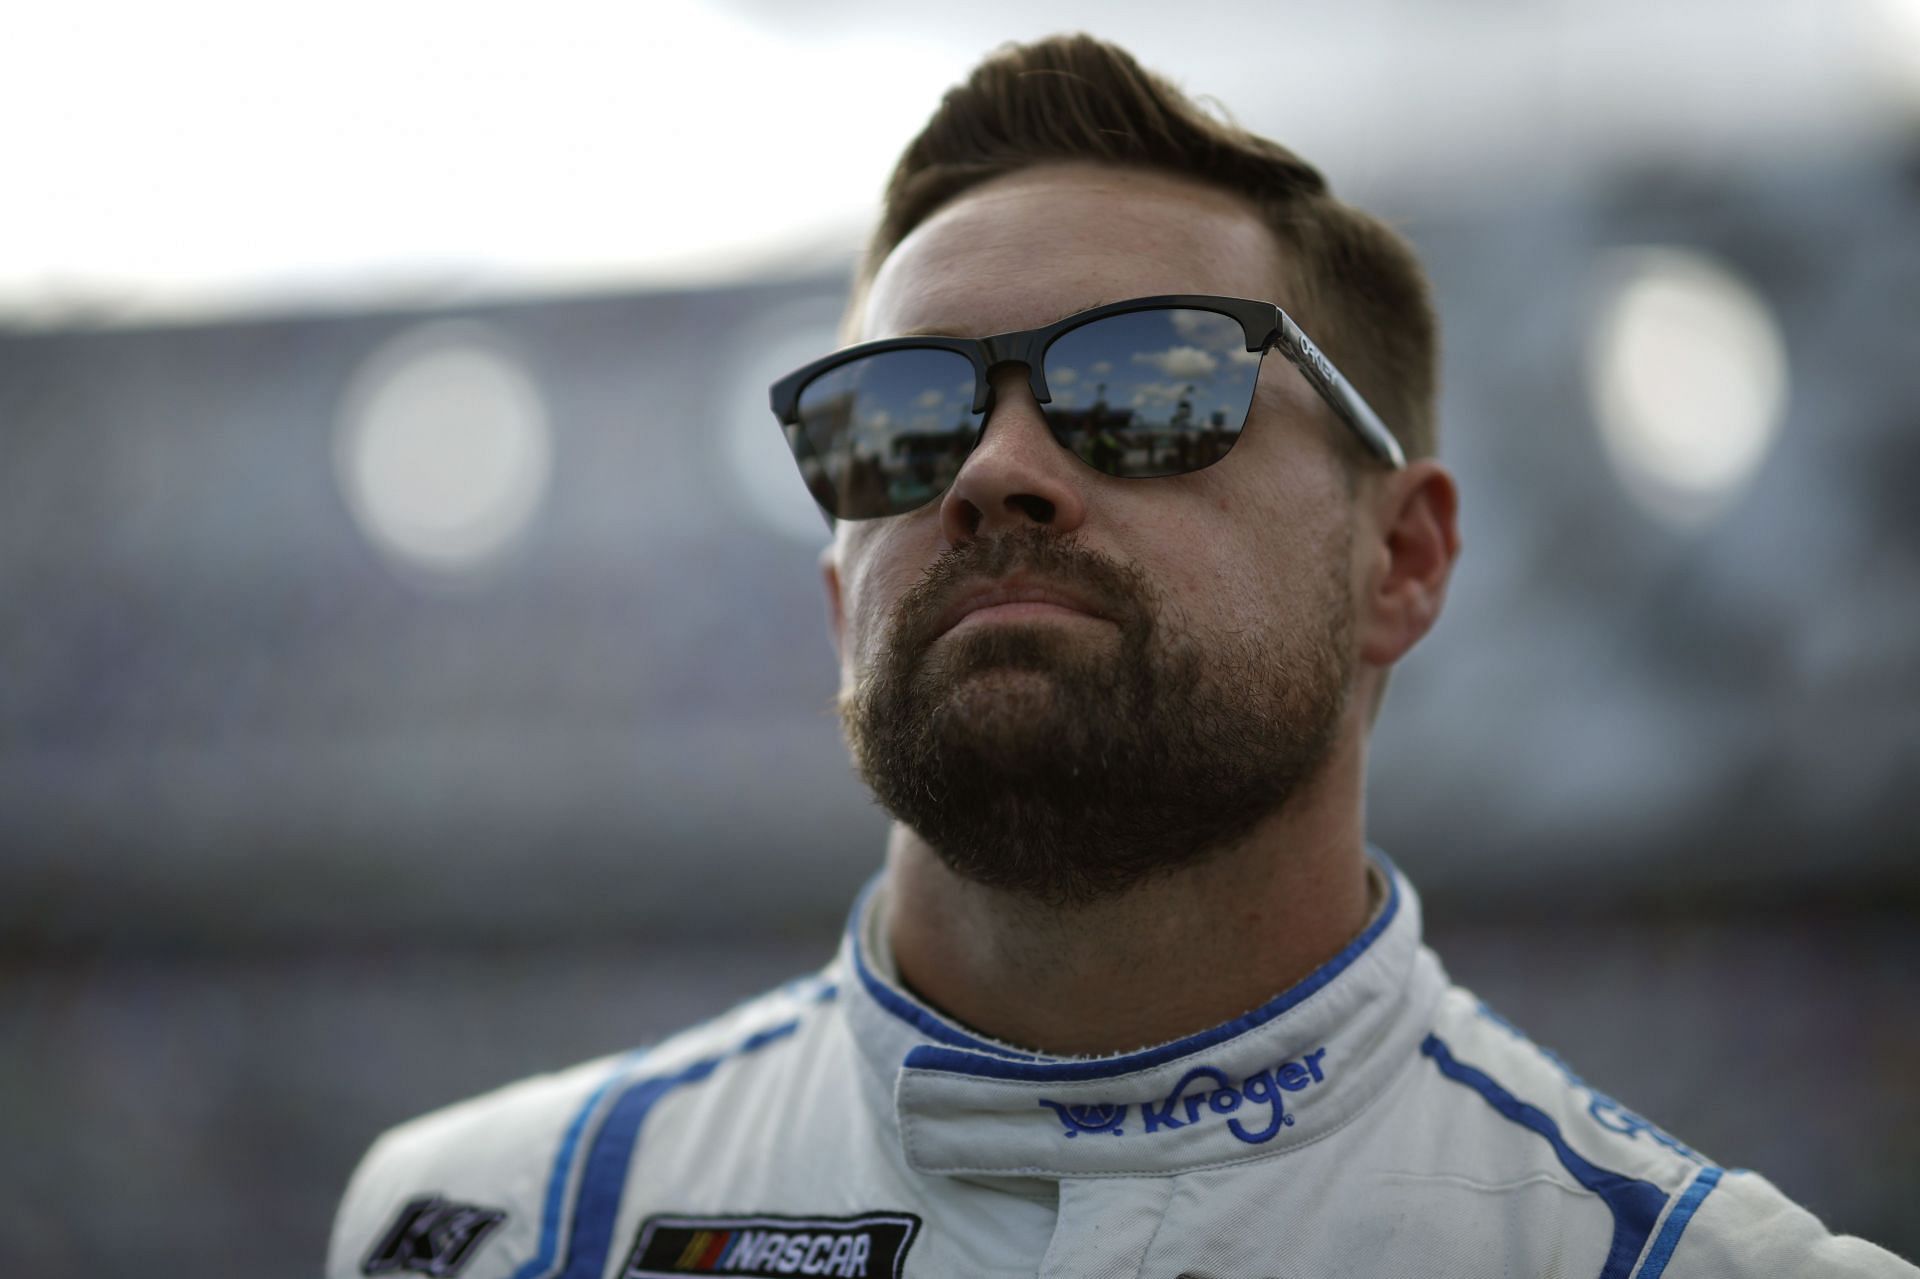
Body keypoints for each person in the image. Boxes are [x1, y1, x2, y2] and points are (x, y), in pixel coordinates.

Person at [328, 34, 1915, 1279]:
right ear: (838, 599)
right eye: (898, 419)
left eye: (1147, 386)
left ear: (1404, 561)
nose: (986, 474)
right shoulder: (493, 1230)